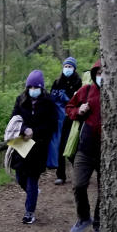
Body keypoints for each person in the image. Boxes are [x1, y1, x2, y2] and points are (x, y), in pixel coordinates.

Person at [10, 70, 58, 223]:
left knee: (32, 178)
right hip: (21, 141)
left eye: (35, 87)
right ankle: (33, 193)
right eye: (30, 87)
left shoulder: (49, 102)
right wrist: (24, 129)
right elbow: (14, 118)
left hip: (39, 146)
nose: (32, 90)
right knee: (19, 175)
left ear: (41, 87)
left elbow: (52, 124)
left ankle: (29, 212)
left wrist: (35, 132)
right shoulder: (20, 99)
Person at [66, 59, 103, 232]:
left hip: (108, 153)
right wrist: (79, 111)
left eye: (105, 72)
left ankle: (99, 225)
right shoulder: (87, 90)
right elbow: (69, 107)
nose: (101, 76)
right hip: (85, 149)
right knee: (79, 184)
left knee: (105, 190)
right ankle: (83, 217)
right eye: (99, 72)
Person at [49, 57, 83, 185]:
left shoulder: (78, 83)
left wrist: (67, 99)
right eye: (66, 66)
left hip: (71, 119)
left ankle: (80, 172)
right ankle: (60, 175)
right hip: (58, 120)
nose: (67, 69)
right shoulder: (57, 82)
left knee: (70, 148)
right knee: (59, 147)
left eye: (70, 67)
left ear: (74, 68)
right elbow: (51, 99)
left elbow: (78, 101)